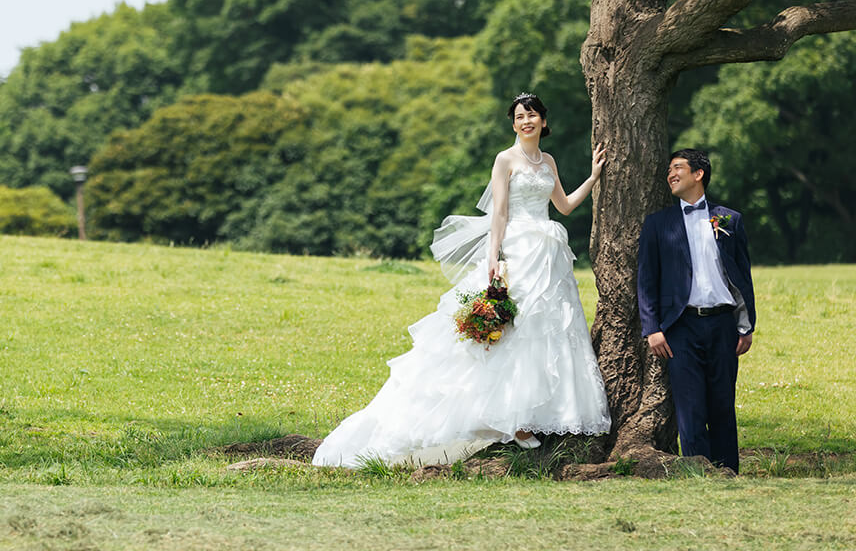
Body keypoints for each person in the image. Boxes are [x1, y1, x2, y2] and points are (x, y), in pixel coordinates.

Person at [312, 93, 610, 468]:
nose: (526, 121)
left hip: (548, 254)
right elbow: (499, 212)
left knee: (549, 328)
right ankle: (509, 417)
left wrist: (594, 177)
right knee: (512, 329)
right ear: (513, 124)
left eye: (532, 115)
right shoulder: (505, 159)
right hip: (517, 250)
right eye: (519, 117)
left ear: (544, 122)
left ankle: (545, 410)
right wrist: (493, 258)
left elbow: (564, 206)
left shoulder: (547, 160)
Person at [637, 149, 755, 473]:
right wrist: (652, 328)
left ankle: (728, 471)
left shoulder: (729, 219)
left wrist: (745, 326)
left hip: (722, 324)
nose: (670, 175)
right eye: (669, 170)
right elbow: (646, 279)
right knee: (689, 407)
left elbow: (742, 276)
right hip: (680, 327)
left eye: (677, 168)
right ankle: (697, 472)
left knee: (722, 405)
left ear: (698, 174)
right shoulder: (658, 224)